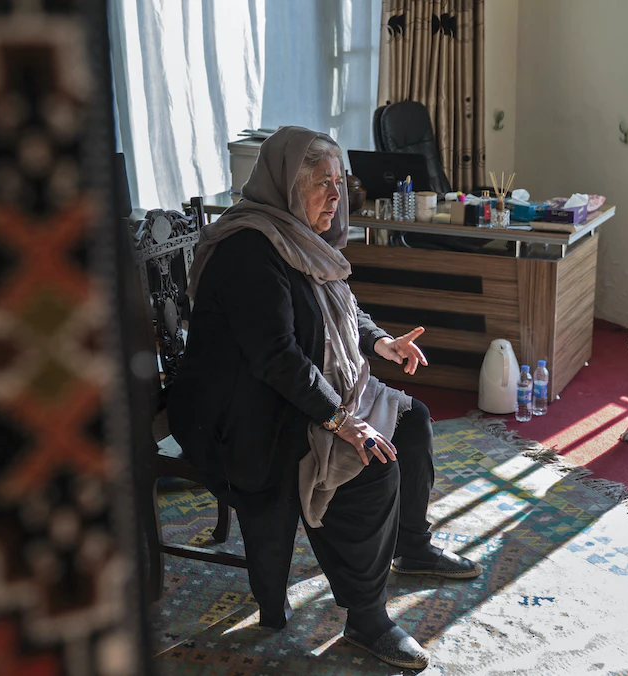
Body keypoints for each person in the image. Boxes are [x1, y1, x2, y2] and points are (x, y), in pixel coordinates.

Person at [167, 126, 481, 670]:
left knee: (413, 421)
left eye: (340, 182)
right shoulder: (250, 249)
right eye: (321, 183)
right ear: (287, 185)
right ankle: (367, 618)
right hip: (246, 413)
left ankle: (411, 545)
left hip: (297, 389)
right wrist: (341, 419)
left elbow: (343, 310)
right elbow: (276, 357)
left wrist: (381, 342)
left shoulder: (302, 237)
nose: (336, 196)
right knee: (371, 461)